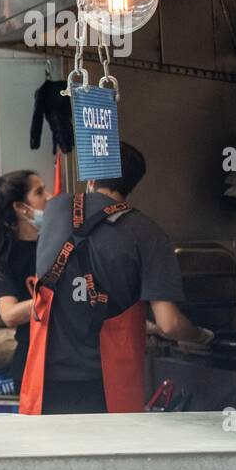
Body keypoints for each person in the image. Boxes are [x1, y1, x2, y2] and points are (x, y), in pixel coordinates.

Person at [21, 142, 212, 414]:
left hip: (47, 383)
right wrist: (198, 335)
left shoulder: (55, 210)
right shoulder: (148, 232)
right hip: (107, 388)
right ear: (133, 184)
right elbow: (169, 324)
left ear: (91, 176)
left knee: (53, 456)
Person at [0, 170, 51, 390]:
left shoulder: (55, 243)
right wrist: (52, 296)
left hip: (69, 358)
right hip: (34, 360)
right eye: (39, 192)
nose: (48, 196)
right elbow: (9, 314)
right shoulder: (5, 258)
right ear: (21, 208)